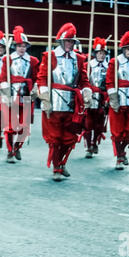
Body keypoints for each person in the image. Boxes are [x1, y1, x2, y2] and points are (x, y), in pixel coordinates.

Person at [36, 22, 92, 181]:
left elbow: (83, 81)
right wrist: (45, 98)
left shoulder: (79, 59)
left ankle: (62, 162)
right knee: (55, 138)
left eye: (72, 41)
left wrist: (86, 92)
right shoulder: (50, 56)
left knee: (69, 138)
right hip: (53, 102)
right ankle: (56, 168)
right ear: (61, 41)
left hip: (72, 104)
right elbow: (41, 79)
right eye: (68, 41)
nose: (70, 44)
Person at [0, 25, 40, 163]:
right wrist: (6, 94)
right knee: (10, 126)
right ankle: (10, 151)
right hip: (11, 94)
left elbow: (36, 78)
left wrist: (35, 88)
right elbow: (3, 78)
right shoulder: (7, 59)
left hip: (26, 95)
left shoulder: (33, 61)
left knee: (25, 126)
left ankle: (17, 147)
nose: (21, 48)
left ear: (27, 47)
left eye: (24, 46)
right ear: (15, 47)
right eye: (19, 46)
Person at [106, 31, 129, 170]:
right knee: (117, 131)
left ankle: (122, 152)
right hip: (118, 100)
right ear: (123, 49)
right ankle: (119, 157)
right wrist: (113, 99)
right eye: (127, 48)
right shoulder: (114, 62)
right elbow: (109, 81)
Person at [82, 37, 109, 158]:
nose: (102, 55)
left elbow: (110, 84)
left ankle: (95, 143)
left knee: (99, 124)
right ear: (95, 54)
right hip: (90, 96)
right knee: (88, 123)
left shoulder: (109, 67)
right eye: (99, 53)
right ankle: (88, 146)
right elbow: (83, 81)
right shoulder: (88, 65)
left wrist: (108, 98)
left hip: (102, 97)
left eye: (104, 53)